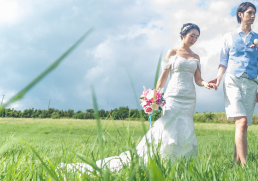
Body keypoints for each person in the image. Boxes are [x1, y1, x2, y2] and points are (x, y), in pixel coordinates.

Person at [61, 23, 215, 173]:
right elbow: (164, 75)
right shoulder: (172, 52)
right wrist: (156, 94)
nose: (194, 39)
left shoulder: (196, 57)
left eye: (197, 37)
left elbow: (198, 79)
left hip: (189, 97)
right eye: (191, 35)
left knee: (185, 126)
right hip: (173, 95)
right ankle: (160, 158)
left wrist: (206, 83)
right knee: (167, 125)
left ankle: (180, 162)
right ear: (183, 35)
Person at [207, 2, 258, 166]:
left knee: (243, 125)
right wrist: (218, 78)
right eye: (249, 12)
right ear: (240, 14)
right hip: (233, 79)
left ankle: (235, 164)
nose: (253, 16)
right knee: (242, 121)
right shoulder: (229, 36)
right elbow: (223, 60)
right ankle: (246, 166)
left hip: (251, 83)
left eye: (254, 13)